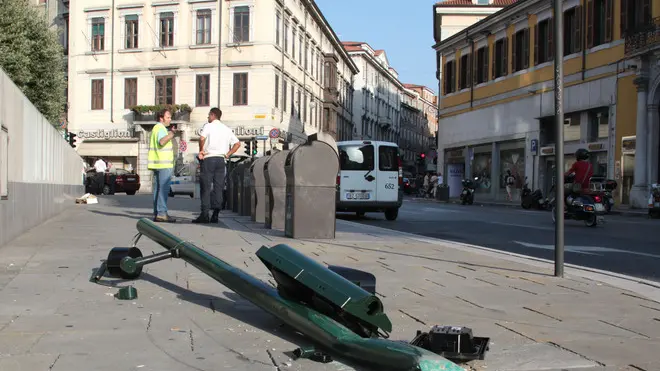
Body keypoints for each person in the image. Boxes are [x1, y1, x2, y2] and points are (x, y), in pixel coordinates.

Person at [193, 107, 241, 224]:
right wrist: (227, 154)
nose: (208, 117)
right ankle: (215, 214)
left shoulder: (208, 126)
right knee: (219, 188)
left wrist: (201, 151)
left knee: (206, 187)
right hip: (221, 160)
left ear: (213, 115)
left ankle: (204, 215)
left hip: (209, 159)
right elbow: (237, 143)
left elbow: (202, 138)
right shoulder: (226, 129)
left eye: (209, 115)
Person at [148, 108, 179, 223]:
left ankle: (157, 212)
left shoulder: (156, 128)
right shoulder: (160, 128)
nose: (170, 120)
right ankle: (161, 213)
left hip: (157, 163)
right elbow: (162, 142)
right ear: (161, 118)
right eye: (168, 117)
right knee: (163, 189)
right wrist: (171, 134)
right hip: (163, 163)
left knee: (157, 189)